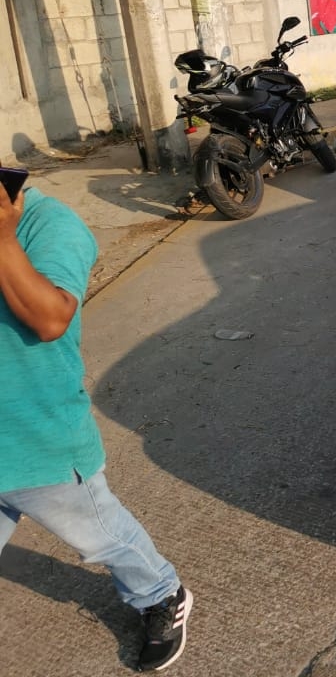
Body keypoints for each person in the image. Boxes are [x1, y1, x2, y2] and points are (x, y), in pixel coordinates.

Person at [0, 178, 192, 672]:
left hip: (32, 441)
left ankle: (160, 593)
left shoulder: (51, 225)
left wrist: (1, 238)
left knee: (101, 535)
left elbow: (50, 320)